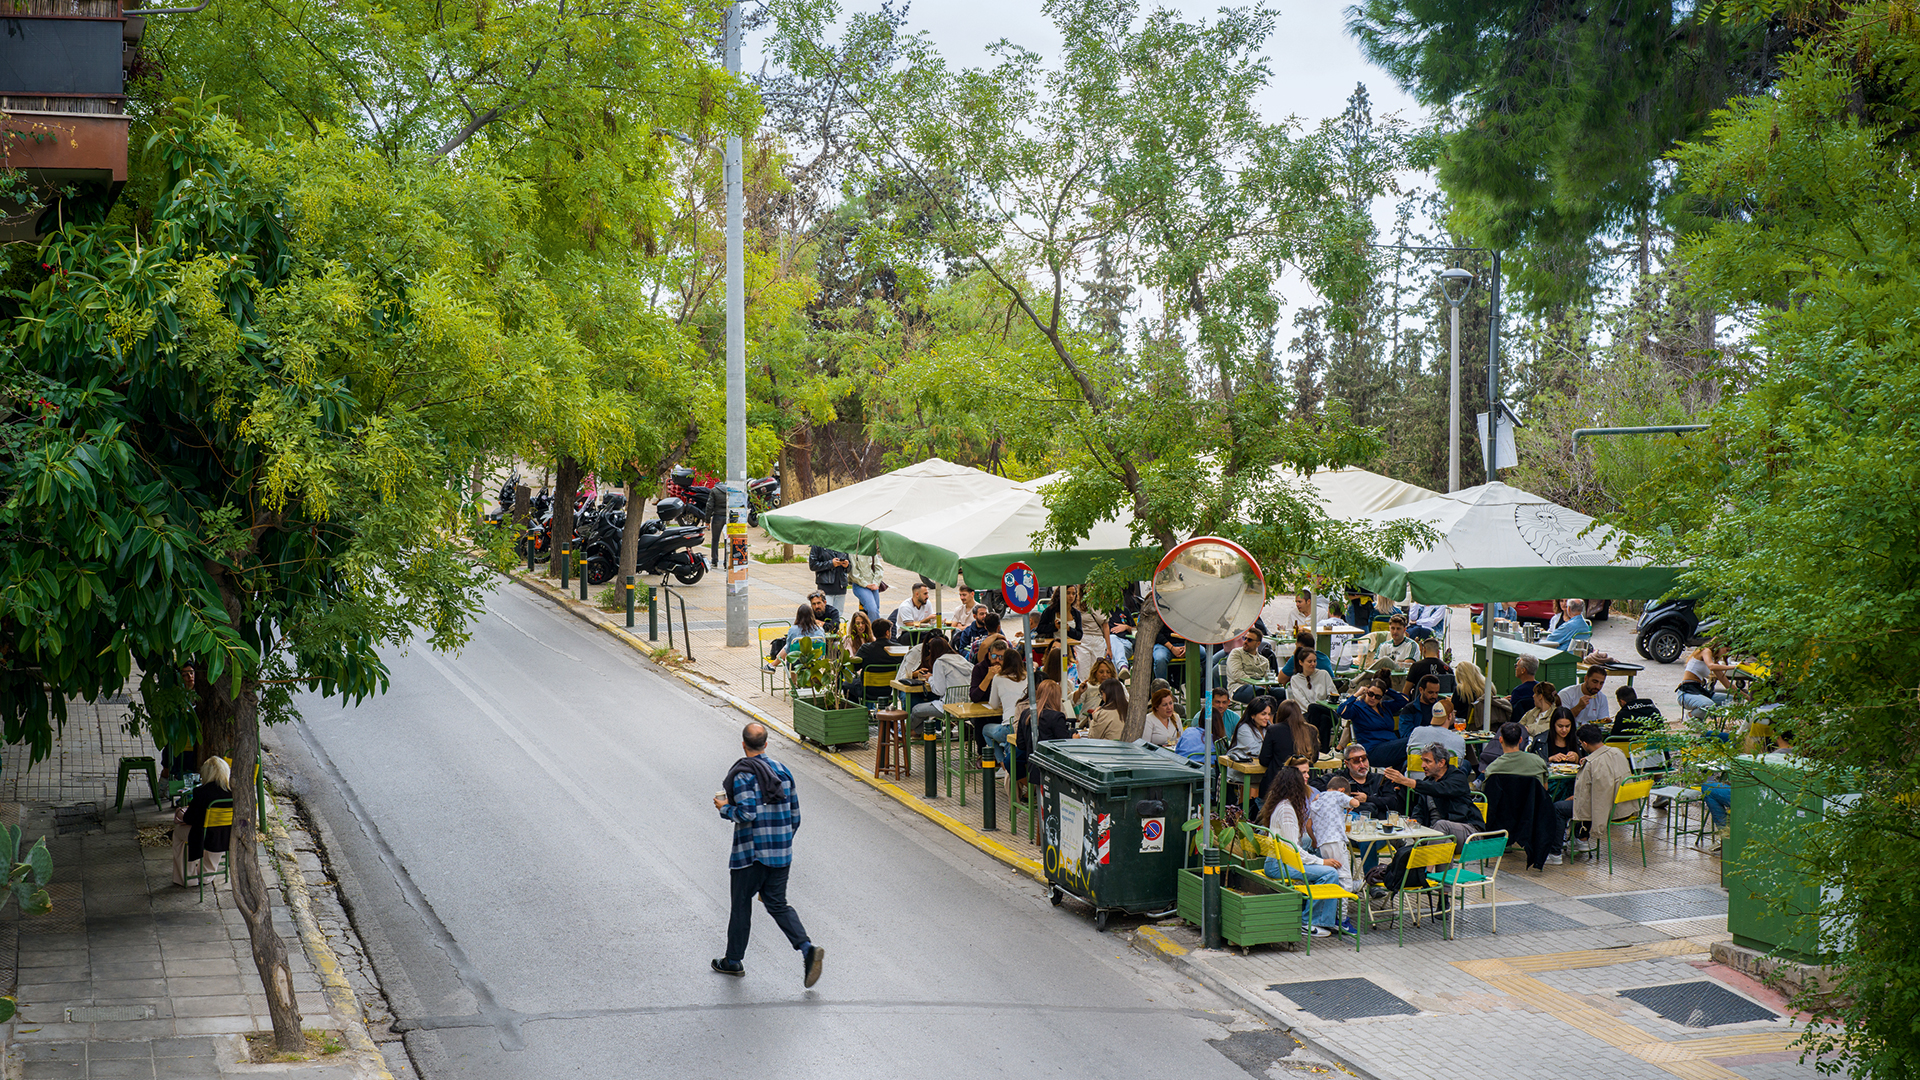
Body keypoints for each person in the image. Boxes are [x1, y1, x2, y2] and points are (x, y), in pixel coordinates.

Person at [713, 723, 824, 986]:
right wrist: (782, 844)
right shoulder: (782, 771)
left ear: (743, 744)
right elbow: (795, 816)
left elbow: (746, 813)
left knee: (741, 905)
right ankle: (807, 948)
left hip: (750, 855)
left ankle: (733, 961)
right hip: (781, 855)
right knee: (777, 904)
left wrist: (724, 807)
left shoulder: (743, 775)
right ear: (766, 744)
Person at [1254, 765, 1345, 937]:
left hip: (1279, 860)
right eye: (1303, 780)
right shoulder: (1287, 811)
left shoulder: (1281, 804)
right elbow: (1293, 850)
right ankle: (1311, 921)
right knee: (1330, 873)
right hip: (1280, 864)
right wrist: (1322, 862)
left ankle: (1322, 916)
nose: (1307, 783)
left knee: (1320, 858)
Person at [1383, 744, 1481, 854]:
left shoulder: (1457, 777)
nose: (1422, 765)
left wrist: (1405, 781)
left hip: (1469, 833)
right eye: (1422, 761)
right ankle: (1427, 862)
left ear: (1441, 763)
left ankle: (1427, 862)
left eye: (1427, 761)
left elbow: (1439, 789)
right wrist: (1414, 822)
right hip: (1438, 836)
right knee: (1442, 843)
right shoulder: (1428, 781)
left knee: (1441, 825)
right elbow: (1419, 810)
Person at [1556, 723, 1634, 859]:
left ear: (1585, 743)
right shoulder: (1618, 752)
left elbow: (1585, 797)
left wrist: (1574, 797)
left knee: (1559, 807)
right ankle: (1581, 839)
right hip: (1625, 807)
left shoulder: (1592, 763)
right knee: (1583, 801)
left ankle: (1555, 852)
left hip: (1607, 810)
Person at [171, 754, 232, 887]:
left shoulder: (201, 792)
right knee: (215, 831)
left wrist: (181, 814)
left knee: (179, 832)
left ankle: (187, 877)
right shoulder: (232, 792)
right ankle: (206, 876)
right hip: (226, 836)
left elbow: (190, 818)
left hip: (202, 837)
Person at [908, 637, 975, 728]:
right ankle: (916, 732)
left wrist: (930, 678)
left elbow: (939, 691)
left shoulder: (940, 662)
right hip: (967, 705)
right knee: (927, 712)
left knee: (916, 710)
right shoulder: (961, 659)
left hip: (949, 706)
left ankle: (908, 732)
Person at [982, 647, 1029, 765]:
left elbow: (993, 704)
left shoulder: (998, 678)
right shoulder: (1027, 677)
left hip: (1009, 726)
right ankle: (1008, 762)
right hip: (1025, 726)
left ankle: (1002, 762)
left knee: (985, 729)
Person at [1338, 679, 1400, 764]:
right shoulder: (1358, 708)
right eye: (1371, 694)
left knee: (1406, 758)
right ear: (1366, 692)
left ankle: (1399, 772)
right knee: (1409, 743)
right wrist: (1356, 694)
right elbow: (1341, 711)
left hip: (1391, 745)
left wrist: (1387, 691)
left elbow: (1404, 700)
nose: (1373, 698)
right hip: (1373, 749)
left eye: (1377, 696)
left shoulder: (1384, 707)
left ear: (1381, 697)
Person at [1330, 742, 1393, 819]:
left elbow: (1392, 802)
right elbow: (1317, 785)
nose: (1362, 765)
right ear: (1347, 764)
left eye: (1364, 760)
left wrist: (1367, 799)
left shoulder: (1380, 779)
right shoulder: (1340, 778)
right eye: (1356, 762)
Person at [1676, 643, 1738, 714]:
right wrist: (1735, 667)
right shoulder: (1706, 651)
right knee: (1709, 705)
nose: (1726, 653)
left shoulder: (1713, 661)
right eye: (1726, 650)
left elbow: (1728, 685)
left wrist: (1746, 698)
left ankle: (1700, 717)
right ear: (1720, 646)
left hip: (1699, 690)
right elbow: (1711, 666)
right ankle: (1691, 716)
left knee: (1732, 700)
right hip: (1687, 692)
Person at [1260, 700, 1319, 772]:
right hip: (1306, 775)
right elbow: (1314, 758)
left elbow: (1264, 760)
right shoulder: (1312, 730)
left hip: (1280, 776)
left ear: (1280, 714)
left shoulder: (1273, 730)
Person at [1405, 696, 1467, 765]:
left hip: (1415, 771)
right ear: (1450, 716)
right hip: (1445, 771)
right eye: (1453, 713)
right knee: (1466, 763)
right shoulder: (1459, 739)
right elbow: (1459, 764)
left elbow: (1408, 753)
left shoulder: (1416, 731)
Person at [1224, 627, 1274, 705]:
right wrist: (1257, 684)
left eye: (1249, 640)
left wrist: (1267, 685)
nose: (1245, 641)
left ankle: (1274, 713)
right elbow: (1237, 675)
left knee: (1282, 693)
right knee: (1260, 693)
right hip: (1239, 687)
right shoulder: (1236, 653)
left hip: (1260, 689)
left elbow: (1267, 678)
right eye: (1245, 638)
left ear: (1258, 644)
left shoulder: (1264, 660)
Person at [775, 604, 827, 674]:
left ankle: (774, 665)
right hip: (815, 662)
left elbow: (789, 650)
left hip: (796, 663)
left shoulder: (793, 630)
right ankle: (773, 664)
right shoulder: (820, 630)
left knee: (789, 651)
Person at [807, 546, 851, 616]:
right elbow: (813, 565)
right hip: (825, 586)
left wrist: (847, 565)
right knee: (826, 614)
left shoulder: (843, 543)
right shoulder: (818, 544)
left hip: (841, 586)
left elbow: (850, 568)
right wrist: (831, 563)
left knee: (838, 615)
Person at [847, 551, 886, 621]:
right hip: (859, 585)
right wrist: (866, 584)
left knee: (876, 610)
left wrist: (875, 583)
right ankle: (876, 627)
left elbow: (879, 568)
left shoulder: (871, 551)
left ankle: (871, 626)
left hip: (873, 585)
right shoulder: (853, 552)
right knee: (872, 609)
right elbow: (854, 573)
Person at [969, 638, 1010, 704]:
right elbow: (974, 697)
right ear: (989, 656)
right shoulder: (979, 668)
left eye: (1001, 657)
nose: (997, 660)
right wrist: (988, 677)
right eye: (994, 656)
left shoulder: (1009, 668)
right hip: (982, 706)